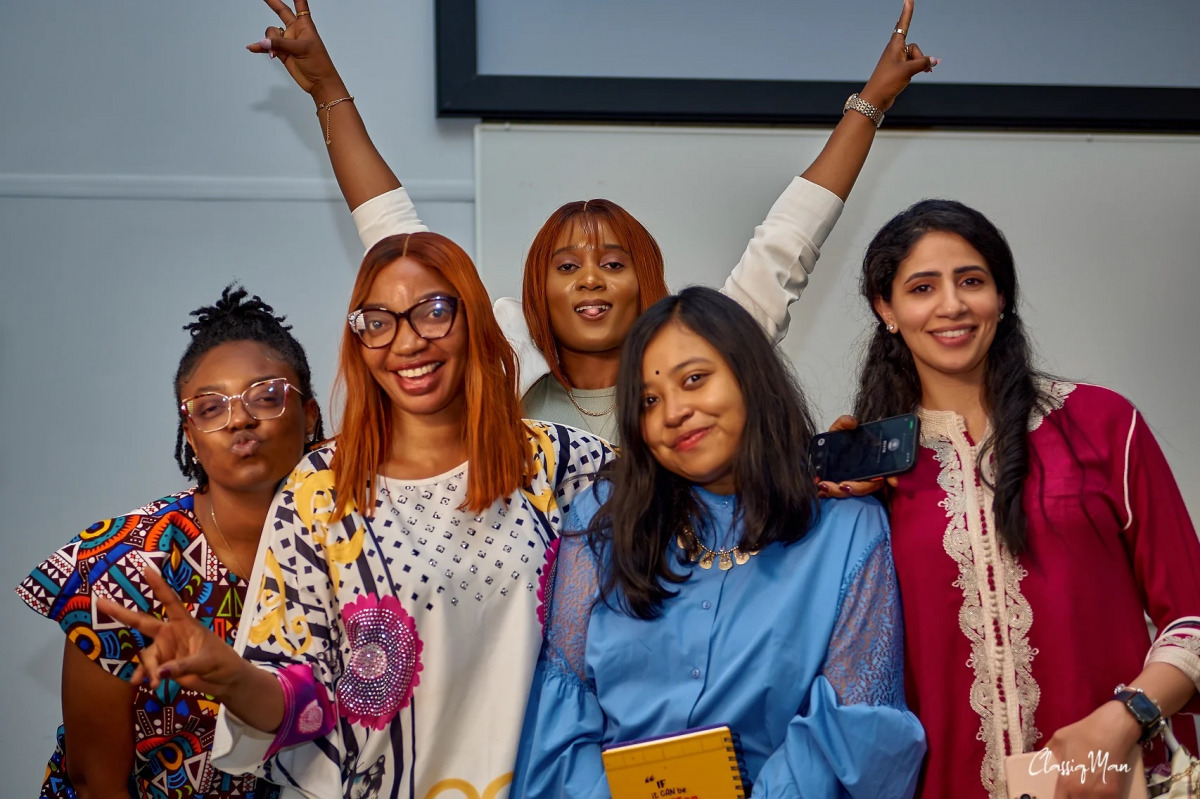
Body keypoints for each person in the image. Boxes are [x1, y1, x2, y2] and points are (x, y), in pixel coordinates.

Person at [245, 0, 939, 441]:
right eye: (567, 266)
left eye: (613, 263)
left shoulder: (701, 353)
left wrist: (870, 102)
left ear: (646, 283)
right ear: (537, 289)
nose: (590, 282)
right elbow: (393, 231)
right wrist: (328, 89)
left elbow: (788, 244)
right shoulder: (500, 356)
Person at [100, 232, 616, 798]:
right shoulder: (321, 489)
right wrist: (235, 678)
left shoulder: (562, 462)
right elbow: (304, 699)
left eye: (434, 312)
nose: (408, 341)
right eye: (379, 321)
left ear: (474, 322)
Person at [514, 287, 926, 797]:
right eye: (648, 400)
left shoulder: (845, 525)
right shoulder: (603, 517)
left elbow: (853, 729)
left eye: (694, 380)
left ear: (749, 375)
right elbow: (561, 714)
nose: (674, 412)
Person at [850, 199, 1200, 798]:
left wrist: (1128, 715)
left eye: (971, 281)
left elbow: (1191, 614)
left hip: (1108, 777)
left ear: (1002, 297)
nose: (952, 305)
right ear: (887, 308)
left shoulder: (1101, 424)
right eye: (922, 287)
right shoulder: (867, 469)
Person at [16, 286, 324, 799]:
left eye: (266, 397)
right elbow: (95, 782)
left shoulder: (352, 550)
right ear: (191, 432)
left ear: (309, 415)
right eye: (210, 407)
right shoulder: (119, 566)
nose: (241, 420)